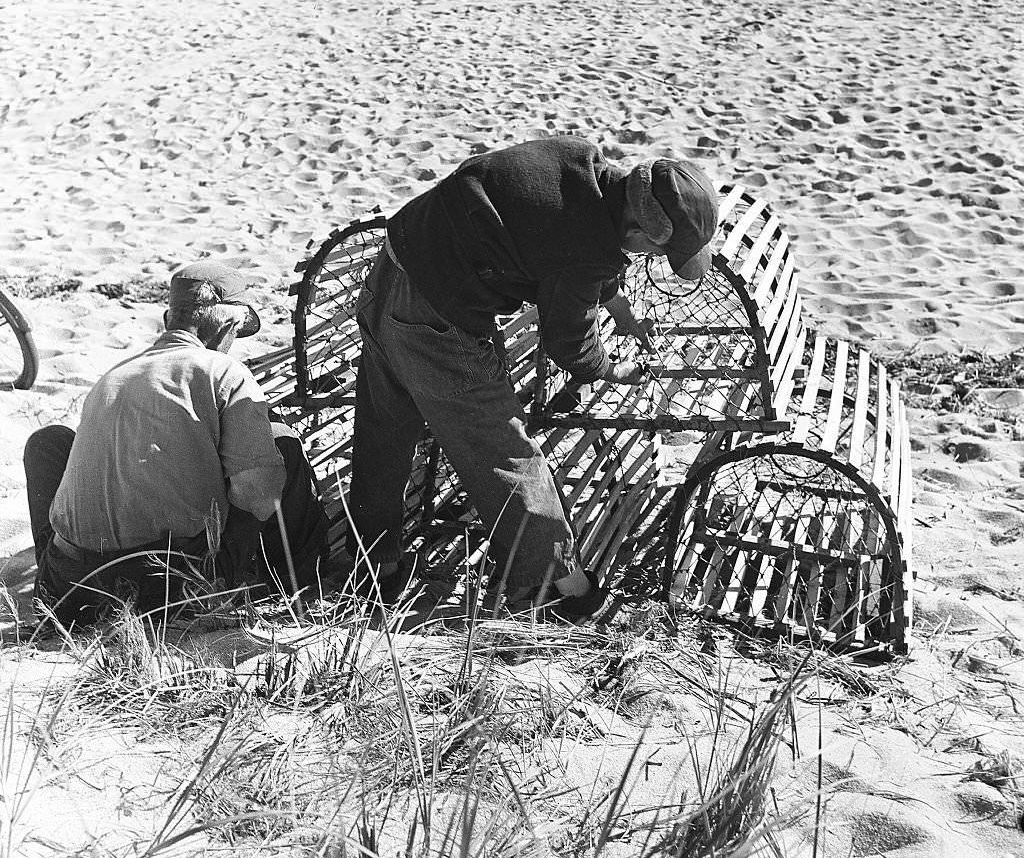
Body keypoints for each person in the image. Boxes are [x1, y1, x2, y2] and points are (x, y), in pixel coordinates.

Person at [347, 135, 718, 617]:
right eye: (652, 251)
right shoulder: (588, 251)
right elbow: (568, 341)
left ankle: (372, 565)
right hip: (435, 314)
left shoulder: (578, 161)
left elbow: (577, 235)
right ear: (638, 229)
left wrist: (619, 308)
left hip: (396, 261)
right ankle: (563, 586)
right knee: (502, 447)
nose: (648, 258)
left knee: (385, 425)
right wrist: (611, 369)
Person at [24, 261, 332, 625]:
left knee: (49, 442)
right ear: (227, 326)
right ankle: (294, 583)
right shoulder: (222, 370)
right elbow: (259, 495)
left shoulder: (114, 375)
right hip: (170, 588)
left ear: (169, 317)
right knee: (280, 443)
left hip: (72, 591)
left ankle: (52, 581)